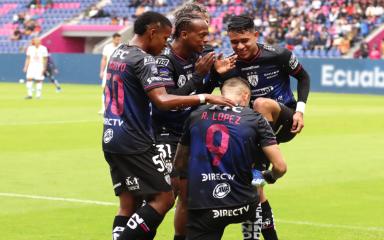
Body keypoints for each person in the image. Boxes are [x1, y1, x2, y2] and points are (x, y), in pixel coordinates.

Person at [102, 11, 234, 240]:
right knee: (164, 198)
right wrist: (205, 98)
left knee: (129, 203)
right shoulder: (144, 60)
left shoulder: (119, 52)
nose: (165, 44)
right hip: (137, 140)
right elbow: (163, 101)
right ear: (152, 33)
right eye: (164, 38)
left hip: (111, 136)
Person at [216, 15, 311, 240]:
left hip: (284, 121)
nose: (239, 46)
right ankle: (263, 235)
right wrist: (221, 76)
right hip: (253, 130)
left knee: (261, 103)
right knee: (254, 188)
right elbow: (226, 96)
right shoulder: (231, 64)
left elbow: (304, 78)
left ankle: (259, 166)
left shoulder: (278, 54)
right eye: (234, 42)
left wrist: (300, 110)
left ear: (256, 36)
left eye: (244, 40)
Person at [174, 77, 287, 240]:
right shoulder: (255, 118)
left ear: (222, 94)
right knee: (256, 185)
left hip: (204, 204)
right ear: (245, 95)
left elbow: (179, 162)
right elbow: (280, 167)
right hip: (243, 204)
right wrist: (269, 176)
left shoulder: (196, 115)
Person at [99, 33, 122, 114]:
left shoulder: (122, 47)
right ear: (113, 39)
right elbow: (104, 59)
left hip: (118, 72)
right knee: (105, 89)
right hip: (108, 72)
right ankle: (103, 108)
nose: (118, 41)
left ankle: (117, 108)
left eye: (119, 39)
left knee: (117, 90)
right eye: (117, 39)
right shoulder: (107, 47)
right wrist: (101, 71)